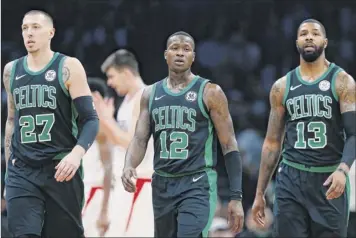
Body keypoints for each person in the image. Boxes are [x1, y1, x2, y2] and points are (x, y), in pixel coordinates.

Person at [121, 31, 245, 237]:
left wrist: (236, 196)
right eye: (175, 48)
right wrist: (128, 165)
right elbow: (140, 138)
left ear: (193, 56)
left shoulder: (210, 92)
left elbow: (229, 145)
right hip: (162, 183)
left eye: (186, 49)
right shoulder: (150, 94)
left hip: (197, 183)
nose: (180, 53)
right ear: (165, 54)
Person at [252, 19, 356, 237]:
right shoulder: (281, 87)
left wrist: (343, 169)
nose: (309, 37)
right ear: (297, 42)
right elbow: (272, 143)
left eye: (315, 33)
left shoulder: (343, 81)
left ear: (325, 42)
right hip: (291, 179)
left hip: (328, 180)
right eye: (304, 33)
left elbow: (353, 134)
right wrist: (260, 192)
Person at [3, 10, 99, 238]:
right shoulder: (11, 71)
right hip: (22, 170)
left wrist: (76, 155)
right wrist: (9, 171)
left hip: (61, 168)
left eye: (36, 27)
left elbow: (91, 120)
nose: (29, 33)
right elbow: (10, 121)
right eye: (25, 28)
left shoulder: (69, 66)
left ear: (50, 32)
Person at [92, 49, 154, 236]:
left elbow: (132, 144)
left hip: (141, 184)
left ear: (126, 73)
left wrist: (105, 119)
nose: (109, 82)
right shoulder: (127, 101)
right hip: (126, 184)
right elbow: (117, 143)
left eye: (112, 76)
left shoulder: (144, 97)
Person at [81, 77, 113, 237]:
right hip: (82, 194)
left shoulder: (104, 131)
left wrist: (104, 209)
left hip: (98, 195)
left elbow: (108, 170)